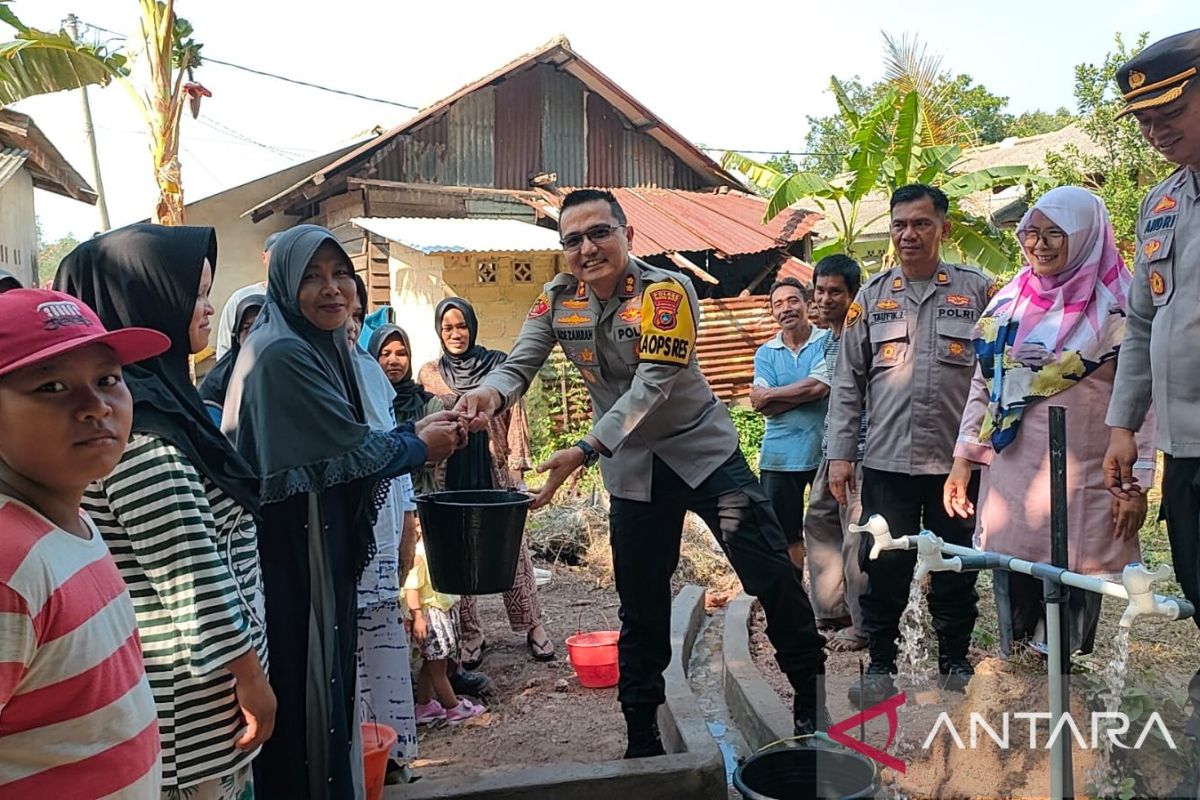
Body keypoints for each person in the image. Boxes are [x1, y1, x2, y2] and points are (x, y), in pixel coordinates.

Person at [454, 188, 827, 754]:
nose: (587, 248)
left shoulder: (665, 293)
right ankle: (641, 734)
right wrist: (488, 394)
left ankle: (810, 698)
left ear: (627, 234)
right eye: (573, 239)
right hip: (632, 468)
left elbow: (652, 385)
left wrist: (583, 449)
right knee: (641, 601)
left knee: (771, 573)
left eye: (599, 232)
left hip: (702, 454)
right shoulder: (558, 299)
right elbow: (520, 364)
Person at [220, 225, 464, 799]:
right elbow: (350, 449)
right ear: (282, 283)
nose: (332, 290)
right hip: (292, 550)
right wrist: (418, 445)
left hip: (317, 537)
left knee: (329, 695)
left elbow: (348, 435)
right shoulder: (280, 354)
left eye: (340, 275)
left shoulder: (315, 345)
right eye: (311, 276)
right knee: (305, 696)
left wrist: (411, 432)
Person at [55, 224, 275, 799]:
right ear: (145, 304)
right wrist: (250, 676)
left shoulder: (161, 404)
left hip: (196, 691)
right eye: (194, 295)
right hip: (187, 708)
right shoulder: (137, 431)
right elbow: (190, 572)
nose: (205, 309)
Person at [947, 187, 1153, 657]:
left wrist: (1134, 483)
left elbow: (1146, 399)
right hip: (1012, 475)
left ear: (1084, 235)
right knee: (1013, 569)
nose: (1039, 245)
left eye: (1054, 234)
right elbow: (984, 386)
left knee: (1077, 577)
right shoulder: (1008, 303)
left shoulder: (1123, 306)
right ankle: (1017, 661)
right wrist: (964, 461)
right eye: (1031, 233)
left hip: (1087, 476)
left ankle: (1063, 674)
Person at [827, 183, 995, 707]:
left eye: (921, 223)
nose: (908, 234)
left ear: (943, 229)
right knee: (885, 565)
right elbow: (847, 382)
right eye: (900, 224)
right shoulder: (871, 298)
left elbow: (998, 374)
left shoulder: (981, 291)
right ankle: (880, 663)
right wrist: (839, 454)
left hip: (956, 466)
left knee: (955, 564)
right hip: (886, 461)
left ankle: (954, 662)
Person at [0, 289, 166, 798]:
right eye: (51, 386)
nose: (95, 407)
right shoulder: (9, 563)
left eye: (107, 380)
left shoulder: (70, 522)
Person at [1103, 29, 1200, 739]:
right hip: (1187, 453)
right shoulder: (1161, 204)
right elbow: (1141, 323)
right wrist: (1121, 424)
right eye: (1142, 119)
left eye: (1170, 109)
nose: (1154, 130)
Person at [418, 297, 554, 667]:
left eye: (462, 326)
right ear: (439, 332)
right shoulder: (429, 373)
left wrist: (517, 471)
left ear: (473, 326)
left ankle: (533, 627)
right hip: (451, 475)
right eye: (448, 328)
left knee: (513, 551)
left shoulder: (497, 366)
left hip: (493, 470)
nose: (456, 334)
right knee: (457, 555)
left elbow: (517, 421)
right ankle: (472, 635)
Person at [368, 322, 496, 701]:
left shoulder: (427, 402)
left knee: (438, 594)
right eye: (385, 353)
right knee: (410, 598)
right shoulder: (368, 401)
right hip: (384, 511)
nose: (393, 361)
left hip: (427, 506)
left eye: (401, 353)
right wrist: (415, 444)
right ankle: (412, 682)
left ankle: (445, 670)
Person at [345, 280, 421, 784]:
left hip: (382, 537)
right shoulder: (305, 374)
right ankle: (356, 761)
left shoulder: (366, 372)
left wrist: (402, 542)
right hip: (341, 550)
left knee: (379, 651)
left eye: (357, 311)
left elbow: (393, 462)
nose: (348, 321)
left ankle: (386, 756)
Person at [802, 255, 868, 652]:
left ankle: (862, 626)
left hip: (860, 452)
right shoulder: (829, 339)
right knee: (820, 522)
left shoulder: (861, 335)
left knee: (855, 536)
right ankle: (831, 611)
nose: (825, 299)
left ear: (853, 294)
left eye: (835, 292)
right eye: (820, 291)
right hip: (832, 449)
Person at [750, 278, 830, 576]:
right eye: (778, 304)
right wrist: (804, 393)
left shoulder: (827, 341)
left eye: (792, 301)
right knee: (785, 536)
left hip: (824, 453)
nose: (786, 309)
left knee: (828, 532)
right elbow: (760, 404)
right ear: (772, 313)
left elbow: (819, 388)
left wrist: (773, 395)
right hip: (779, 457)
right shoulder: (765, 353)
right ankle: (795, 601)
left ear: (808, 303)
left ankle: (831, 604)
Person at [405, 535, 487, 725]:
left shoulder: (436, 548)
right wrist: (417, 615)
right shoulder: (420, 554)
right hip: (431, 616)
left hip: (441, 612)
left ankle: (424, 705)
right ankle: (453, 707)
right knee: (438, 667)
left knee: (431, 662)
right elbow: (411, 588)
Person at [213, 231, 281, 360]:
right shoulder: (241, 299)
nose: (279, 260)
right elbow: (225, 348)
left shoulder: (301, 301)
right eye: (275, 254)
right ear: (264, 257)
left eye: (285, 255)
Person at [199, 290, 265, 423]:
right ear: (237, 337)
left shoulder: (289, 370)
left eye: (261, 326)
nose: (255, 334)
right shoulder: (217, 384)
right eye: (247, 328)